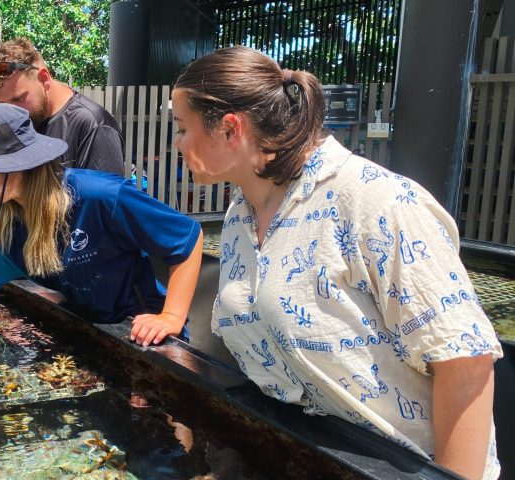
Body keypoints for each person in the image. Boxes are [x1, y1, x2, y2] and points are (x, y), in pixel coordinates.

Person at [171, 46, 502, 480]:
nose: (176, 143)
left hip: (401, 467)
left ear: (230, 129)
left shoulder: (376, 202)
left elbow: (466, 362)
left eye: (181, 127)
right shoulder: (239, 215)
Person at [0, 103, 203, 376]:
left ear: (15, 165)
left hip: (147, 329)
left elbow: (187, 238)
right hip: (90, 328)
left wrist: (171, 317)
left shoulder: (101, 196)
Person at [0, 37, 124, 175]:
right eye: (2, 103)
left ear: (44, 79)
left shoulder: (93, 125)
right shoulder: (15, 122)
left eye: (18, 98)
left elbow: (105, 196)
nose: (11, 112)